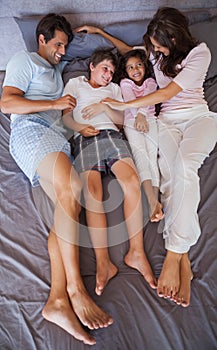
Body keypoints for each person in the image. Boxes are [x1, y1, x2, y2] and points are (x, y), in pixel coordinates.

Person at [75, 7, 217, 307]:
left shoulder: (199, 54)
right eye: (152, 46)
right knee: (169, 179)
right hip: (165, 123)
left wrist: (124, 105)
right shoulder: (158, 55)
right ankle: (186, 265)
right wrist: (101, 33)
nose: (154, 51)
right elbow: (130, 53)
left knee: (185, 169)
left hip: (196, 118)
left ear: (174, 38)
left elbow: (167, 94)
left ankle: (176, 255)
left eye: (157, 45)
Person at [1, 13, 115, 346]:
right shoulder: (25, 60)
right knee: (75, 190)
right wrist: (54, 103)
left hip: (54, 137)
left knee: (68, 207)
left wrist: (96, 30)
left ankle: (56, 302)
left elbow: (105, 53)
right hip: (32, 133)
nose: (63, 51)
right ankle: (75, 290)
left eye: (66, 45)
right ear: (41, 39)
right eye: (58, 44)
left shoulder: (55, 70)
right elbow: (7, 103)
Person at [62, 48, 157, 297]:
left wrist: (105, 107)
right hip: (85, 138)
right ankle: (104, 262)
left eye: (112, 71)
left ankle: (136, 252)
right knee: (92, 193)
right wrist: (81, 128)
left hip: (111, 136)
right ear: (92, 66)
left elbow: (119, 122)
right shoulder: (75, 83)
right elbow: (66, 118)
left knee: (132, 182)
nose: (108, 75)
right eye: (105, 69)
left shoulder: (113, 89)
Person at [117, 49, 164, 222]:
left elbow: (150, 96)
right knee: (141, 157)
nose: (135, 70)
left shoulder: (151, 81)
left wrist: (143, 115)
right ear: (125, 71)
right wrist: (138, 117)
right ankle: (152, 201)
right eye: (130, 67)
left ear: (145, 66)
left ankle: (155, 199)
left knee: (153, 157)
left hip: (150, 120)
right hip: (131, 121)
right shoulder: (125, 83)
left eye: (138, 65)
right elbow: (130, 100)